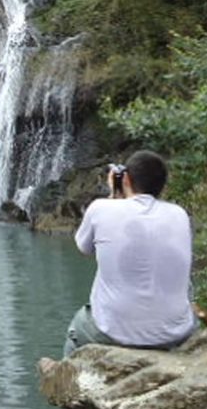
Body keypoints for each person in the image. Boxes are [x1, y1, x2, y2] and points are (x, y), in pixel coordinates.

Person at [63, 150, 197, 358]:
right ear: (163, 185)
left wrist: (113, 197)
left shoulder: (100, 208)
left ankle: (69, 386)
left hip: (113, 333)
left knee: (75, 334)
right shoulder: (179, 214)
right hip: (177, 334)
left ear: (124, 178)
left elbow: (84, 248)